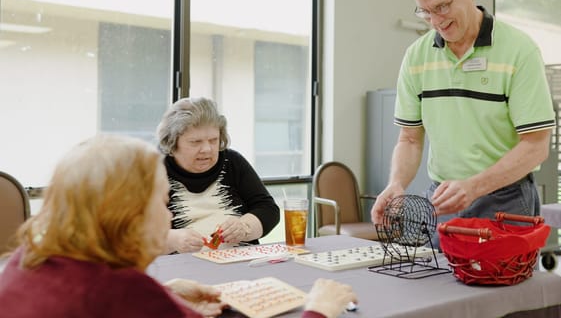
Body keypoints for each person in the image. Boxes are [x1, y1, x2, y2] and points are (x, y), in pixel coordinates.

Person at [0, 134, 356, 318]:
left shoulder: (25, 261)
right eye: (161, 202)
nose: (169, 214)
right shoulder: (125, 291)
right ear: (126, 214)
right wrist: (319, 310)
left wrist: (165, 293)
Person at [370, 0, 556, 249]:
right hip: (444, 201)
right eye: (425, 11)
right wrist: (396, 183)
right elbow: (409, 140)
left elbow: (536, 146)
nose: (435, 21)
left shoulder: (520, 51)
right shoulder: (416, 57)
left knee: (504, 296)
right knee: (442, 291)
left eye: (442, 6)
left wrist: (474, 187)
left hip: (506, 202)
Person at [157, 97, 280, 253]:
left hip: (243, 261)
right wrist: (172, 240)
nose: (207, 149)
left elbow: (268, 209)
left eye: (213, 140)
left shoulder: (232, 161)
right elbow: (132, 233)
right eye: (195, 142)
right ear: (172, 143)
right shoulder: (155, 171)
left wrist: (244, 227)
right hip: (183, 266)